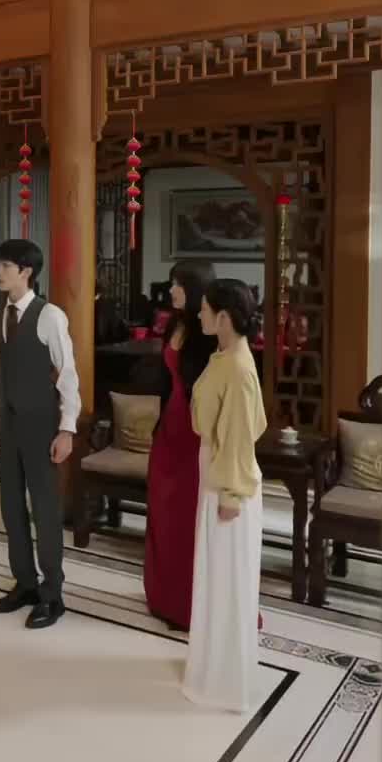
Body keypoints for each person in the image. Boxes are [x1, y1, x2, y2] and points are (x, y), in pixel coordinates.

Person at [0, 238, 80, 630]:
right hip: (7, 426)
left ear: (26, 271)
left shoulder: (49, 316)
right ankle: (24, 583)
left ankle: (52, 594)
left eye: (5, 265)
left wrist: (67, 428)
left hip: (41, 426)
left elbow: (68, 374)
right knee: (11, 507)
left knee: (44, 509)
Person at [183, 279, 268, 713]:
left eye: (204, 309)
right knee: (215, 581)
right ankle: (211, 670)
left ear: (222, 317)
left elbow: (242, 435)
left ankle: (225, 683)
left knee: (227, 584)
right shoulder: (224, 357)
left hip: (229, 486)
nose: (198, 315)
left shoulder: (237, 368)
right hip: (215, 474)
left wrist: (232, 493)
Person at [143, 258, 217, 629]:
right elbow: (165, 379)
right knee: (162, 508)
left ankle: (189, 602)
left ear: (195, 289)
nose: (171, 290)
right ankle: (163, 594)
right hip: (169, 424)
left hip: (195, 430)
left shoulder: (209, 333)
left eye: (178, 285)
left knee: (188, 515)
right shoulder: (174, 324)